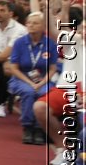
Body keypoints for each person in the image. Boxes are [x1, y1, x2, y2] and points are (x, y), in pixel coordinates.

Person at [5, 11, 59, 145]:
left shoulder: (50, 44)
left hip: (43, 78)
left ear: (42, 26)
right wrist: (30, 82)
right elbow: (14, 68)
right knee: (28, 91)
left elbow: (52, 68)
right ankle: (28, 127)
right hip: (21, 77)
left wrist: (41, 82)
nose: (31, 25)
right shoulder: (20, 42)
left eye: (35, 23)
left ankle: (39, 128)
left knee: (44, 93)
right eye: (29, 23)